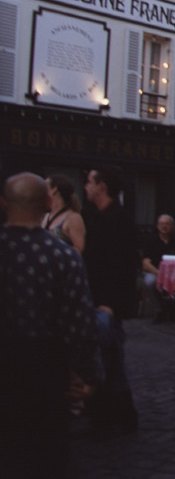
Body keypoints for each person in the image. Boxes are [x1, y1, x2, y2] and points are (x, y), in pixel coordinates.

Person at [1, 173, 100, 478]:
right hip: (44, 369)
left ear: (3, 204)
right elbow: (79, 323)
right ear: (47, 203)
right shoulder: (64, 256)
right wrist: (88, 375)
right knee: (43, 455)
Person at [82, 166, 140, 436]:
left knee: (106, 359)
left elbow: (122, 266)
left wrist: (111, 303)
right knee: (111, 360)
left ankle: (107, 418)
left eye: (89, 182)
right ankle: (121, 417)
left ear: (101, 186)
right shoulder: (101, 217)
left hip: (106, 302)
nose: (86, 187)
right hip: (100, 299)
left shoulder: (117, 219)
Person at [140, 214, 175, 317]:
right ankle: (159, 310)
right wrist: (159, 273)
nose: (164, 226)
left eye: (167, 224)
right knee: (150, 282)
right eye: (161, 224)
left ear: (172, 226)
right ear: (157, 226)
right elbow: (145, 263)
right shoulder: (150, 241)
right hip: (155, 271)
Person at [42, 173, 86, 253]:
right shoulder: (45, 216)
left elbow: (79, 249)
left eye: (45, 187)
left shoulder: (73, 218)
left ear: (54, 190)